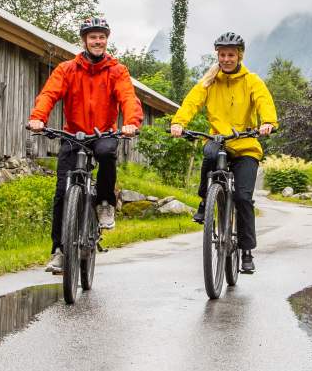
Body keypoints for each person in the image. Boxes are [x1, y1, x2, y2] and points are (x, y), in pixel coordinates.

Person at [28, 15, 142, 275]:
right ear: (84, 41)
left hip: (103, 133)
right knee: (61, 192)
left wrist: (131, 122)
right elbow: (49, 94)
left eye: (102, 36)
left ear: (107, 39)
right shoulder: (67, 69)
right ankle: (59, 250)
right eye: (93, 37)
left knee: (106, 152)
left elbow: (128, 97)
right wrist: (38, 118)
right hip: (73, 134)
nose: (98, 41)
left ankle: (104, 204)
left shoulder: (117, 70)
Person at [167, 32, 276, 273]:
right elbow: (192, 102)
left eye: (231, 55)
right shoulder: (209, 80)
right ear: (217, 55)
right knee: (209, 153)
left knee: (243, 198)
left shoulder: (252, 81)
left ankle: (246, 251)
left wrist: (267, 122)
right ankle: (206, 201)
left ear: (239, 56)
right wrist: (179, 123)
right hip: (220, 140)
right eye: (222, 55)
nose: (226, 59)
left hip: (246, 145)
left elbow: (263, 102)